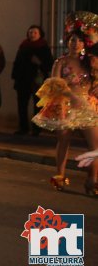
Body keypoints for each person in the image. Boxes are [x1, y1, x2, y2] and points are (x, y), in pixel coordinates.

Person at [32, 11, 98, 196]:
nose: (75, 43)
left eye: (78, 40)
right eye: (72, 40)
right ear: (67, 42)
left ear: (85, 43)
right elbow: (55, 84)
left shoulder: (92, 61)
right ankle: (60, 175)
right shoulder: (60, 61)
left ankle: (92, 179)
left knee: (95, 146)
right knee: (63, 140)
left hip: (87, 106)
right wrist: (71, 95)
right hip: (66, 106)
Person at [11, 25, 53, 136]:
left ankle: (36, 129)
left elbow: (49, 65)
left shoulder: (44, 47)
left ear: (40, 34)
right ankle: (23, 128)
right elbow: (17, 63)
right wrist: (15, 77)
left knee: (37, 106)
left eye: (35, 32)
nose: (32, 34)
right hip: (22, 81)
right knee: (22, 105)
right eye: (30, 32)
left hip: (36, 81)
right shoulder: (23, 46)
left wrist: (39, 63)